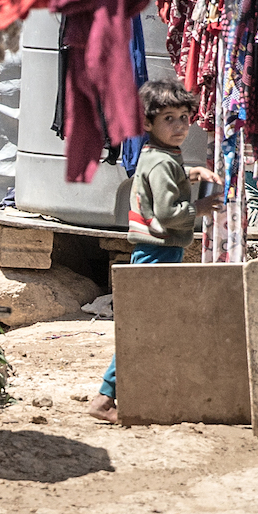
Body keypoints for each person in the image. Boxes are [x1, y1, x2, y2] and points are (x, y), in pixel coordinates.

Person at [87, 79, 217, 423]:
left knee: (146, 323)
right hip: (157, 253)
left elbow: (164, 176)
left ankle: (128, 392)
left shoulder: (160, 156)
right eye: (169, 119)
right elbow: (166, 213)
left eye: (184, 119)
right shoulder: (161, 162)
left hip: (158, 252)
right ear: (147, 124)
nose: (179, 127)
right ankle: (104, 398)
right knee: (142, 325)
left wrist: (189, 173)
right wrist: (200, 207)